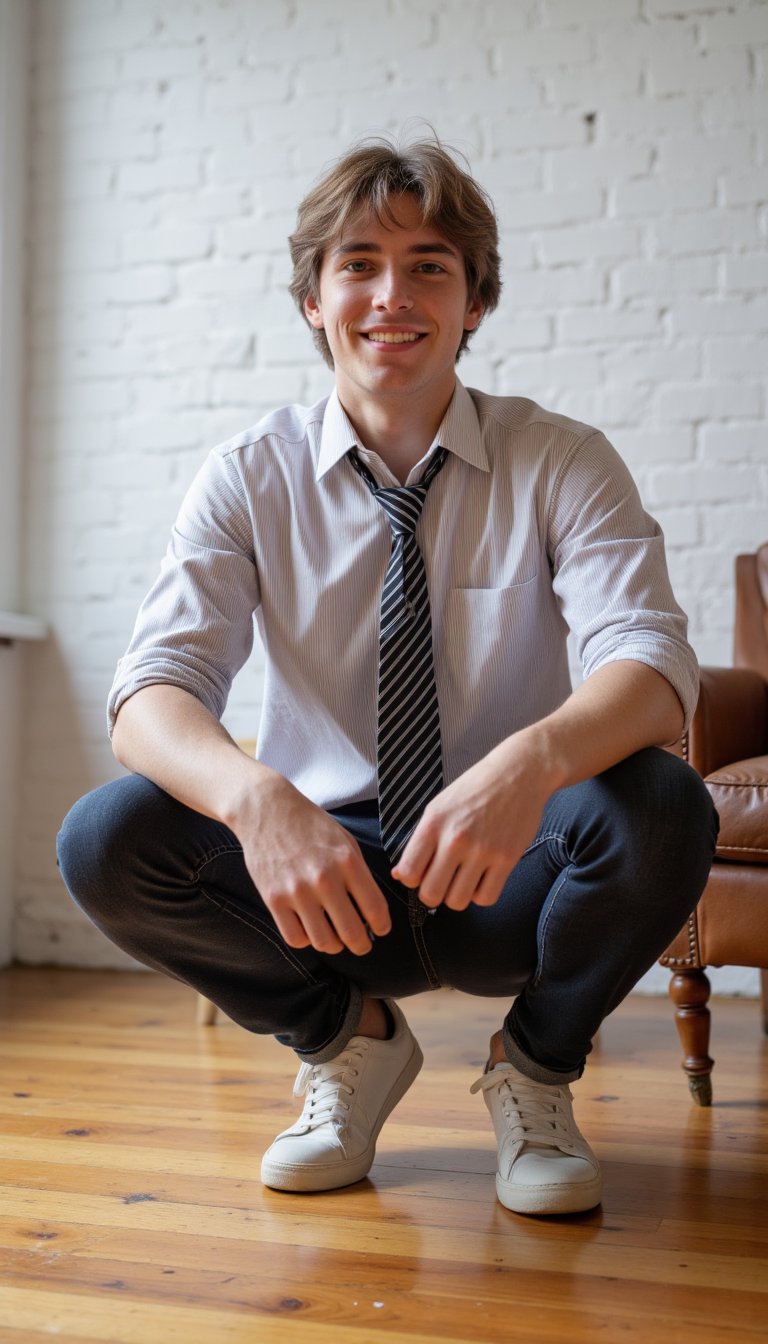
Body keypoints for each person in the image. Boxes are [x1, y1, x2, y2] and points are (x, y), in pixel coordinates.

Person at [58, 135, 718, 1218]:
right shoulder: (247, 476)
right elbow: (151, 696)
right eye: (358, 263)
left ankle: (537, 1071)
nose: (390, 295)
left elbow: (651, 665)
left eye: (429, 267)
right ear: (315, 299)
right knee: (104, 837)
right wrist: (256, 796)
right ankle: (347, 1045)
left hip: (507, 860)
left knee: (663, 802)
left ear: (474, 302)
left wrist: (531, 761)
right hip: (327, 879)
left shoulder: (563, 459)